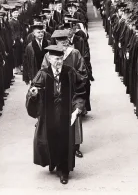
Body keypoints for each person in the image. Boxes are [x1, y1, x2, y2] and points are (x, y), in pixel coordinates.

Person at [26, 45, 86, 185]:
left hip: (66, 114)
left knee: (64, 140)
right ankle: (53, 161)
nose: (59, 62)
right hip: (49, 114)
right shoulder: (43, 73)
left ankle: (63, 170)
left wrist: (77, 108)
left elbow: (80, 90)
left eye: (61, 58)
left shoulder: (70, 72)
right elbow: (35, 90)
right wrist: (33, 95)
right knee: (50, 138)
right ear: (49, 59)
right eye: (56, 59)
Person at [41, 30, 87, 158]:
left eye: (66, 40)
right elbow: (43, 72)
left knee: (74, 119)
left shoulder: (75, 53)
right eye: (61, 40)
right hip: (55, 92)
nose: (65, 42)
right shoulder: (48, 56)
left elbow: (83, 73)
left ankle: (76, 146)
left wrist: (72, 78)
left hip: (71, 92)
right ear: (56, 41)